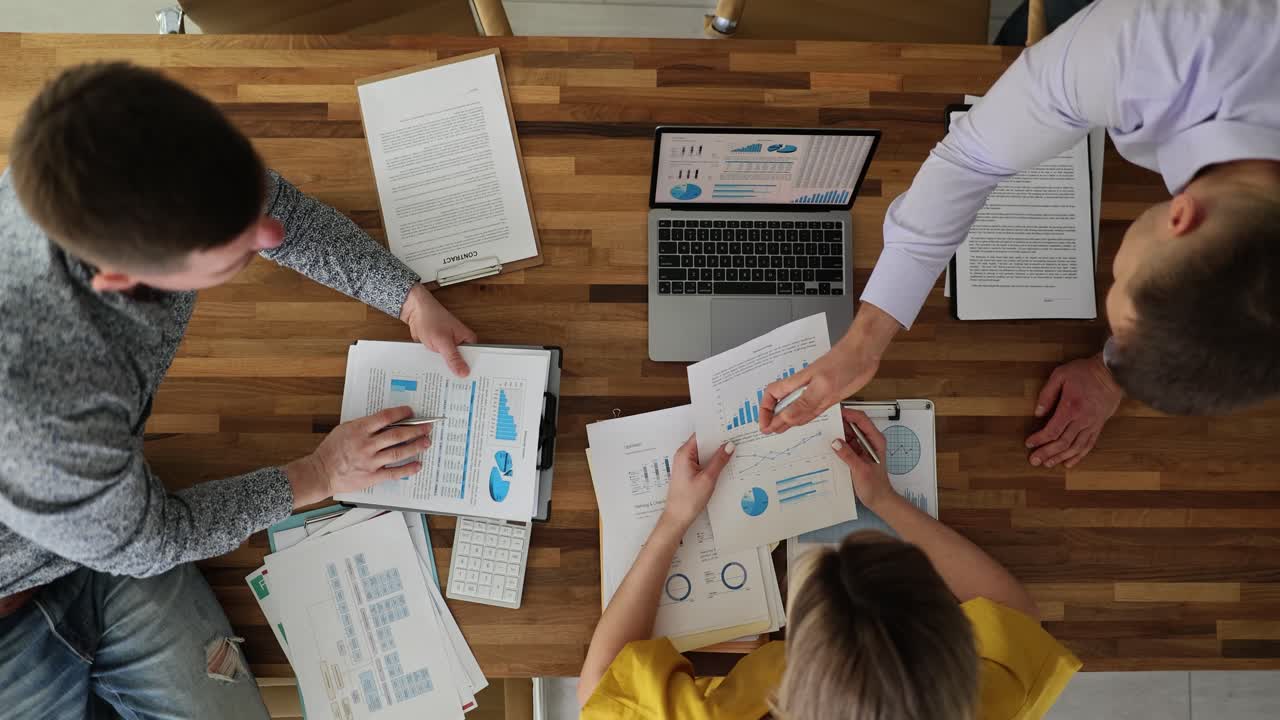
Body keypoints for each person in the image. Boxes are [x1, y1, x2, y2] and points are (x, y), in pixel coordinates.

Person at [0, 62, 478, 718]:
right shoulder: (48, 417)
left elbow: (284, 217)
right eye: (236, 253)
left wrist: (407, 299)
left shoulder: (124, 173)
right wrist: (319, 472)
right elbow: (159, 540)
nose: (273, 237)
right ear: (117, 279)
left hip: (101, 521)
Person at [759, 0, 1280, 469]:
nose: (1115, 280)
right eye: (1119, 281)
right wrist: (865, 338)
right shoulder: (1142, 45)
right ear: (1179, 218)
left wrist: (1109, 373)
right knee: (1023, 35)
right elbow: (970, 157)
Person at [577, 409, 1080, 719]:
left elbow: (600, 686)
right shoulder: (992, 703)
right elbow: (1013, 610)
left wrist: (672, 521)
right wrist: (886, 500)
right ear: (954, 649)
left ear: (794, 672)